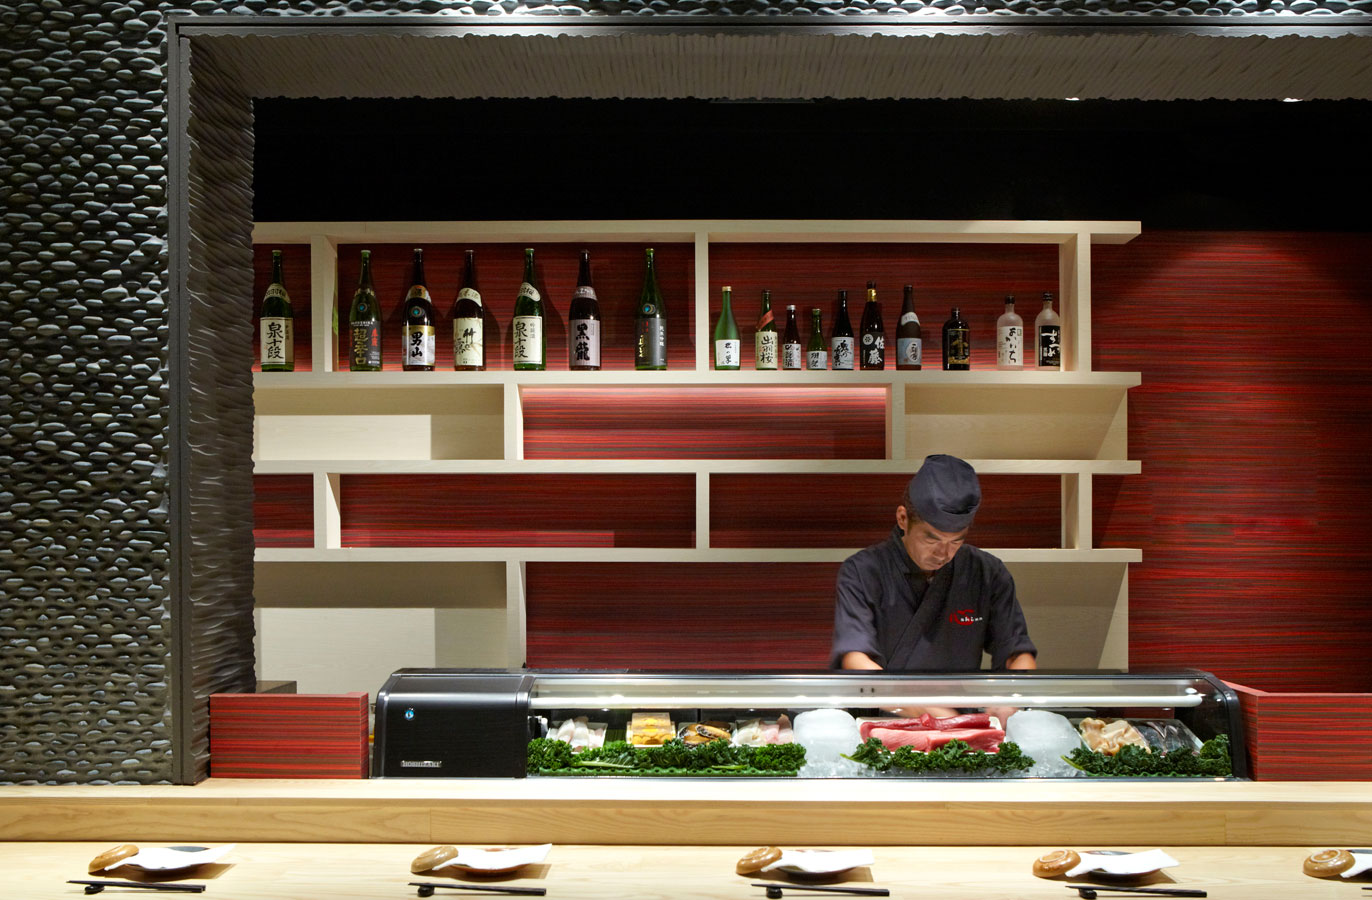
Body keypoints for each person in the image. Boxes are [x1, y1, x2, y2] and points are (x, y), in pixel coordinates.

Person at [830, 454, 1037, 676]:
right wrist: (909, 698)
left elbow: (1016, 653)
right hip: (883, 698)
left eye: (956, 541)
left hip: (961, 699)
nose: (943, 553)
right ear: (903, 519)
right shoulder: (862, 571)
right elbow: (855, 657)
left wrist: (1016, 691)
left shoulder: (988, 573)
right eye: (931, 540)